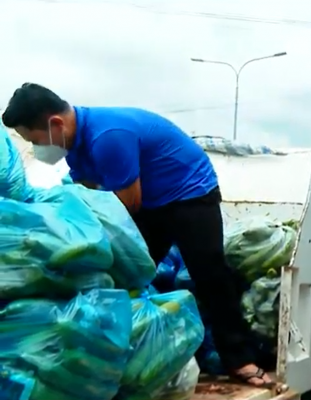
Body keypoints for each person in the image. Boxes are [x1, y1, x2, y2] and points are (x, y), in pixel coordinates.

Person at [1, 83, 272, 387]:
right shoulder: (74, 149)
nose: (37, 150)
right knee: (125, 272)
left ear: (55, 124)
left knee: (209, 273)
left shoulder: (108, 137)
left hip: (189, 193)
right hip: (149, 201)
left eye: (34, 140)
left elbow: (126, 205)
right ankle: (122, 352)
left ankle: (241, 360)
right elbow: (88, 201)